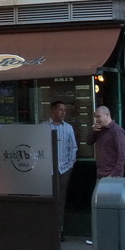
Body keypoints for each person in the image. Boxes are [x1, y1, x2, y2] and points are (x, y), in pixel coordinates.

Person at [43, 101, 77, 242]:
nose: (63, 112)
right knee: (47, 199)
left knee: (60, 200)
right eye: (60, 110)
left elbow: (73, 147)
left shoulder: (68, 128)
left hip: (63, 169)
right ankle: (47, 228)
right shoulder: (44, 126)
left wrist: (69, 165)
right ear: (53, 111)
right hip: (47, 170)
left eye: (64, 110)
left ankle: (59, 229)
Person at [86, 106, 125, 178]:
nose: (97, 120)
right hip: (100, 173)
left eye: (99, 117)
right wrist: (93, 131)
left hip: (112, 174)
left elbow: (122, 155)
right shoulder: (99, 130)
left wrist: (113, 174)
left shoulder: (117, 131)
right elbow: (89, 142)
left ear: (107, 115)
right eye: (96, 117)